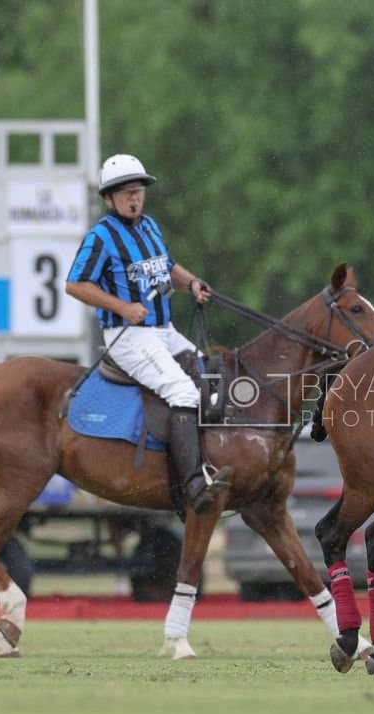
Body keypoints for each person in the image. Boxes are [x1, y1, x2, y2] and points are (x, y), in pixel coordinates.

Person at [65, 154, 233, 517]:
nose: (134, 198)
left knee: (211, 378)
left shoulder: (149, 226)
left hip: (163, 330)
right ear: (109, 198)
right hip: (128, 336)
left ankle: (212, 463)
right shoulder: (101, 237)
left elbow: (166, 266)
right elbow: (74, 285)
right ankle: (193, 484)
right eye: (125, 193)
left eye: (138, 191)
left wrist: (191, 284)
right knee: (184, 392)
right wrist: (122, 307)